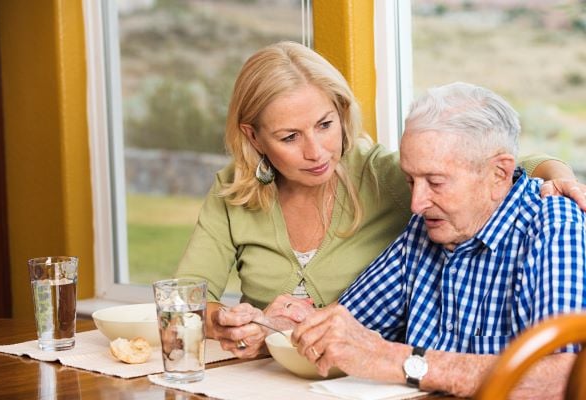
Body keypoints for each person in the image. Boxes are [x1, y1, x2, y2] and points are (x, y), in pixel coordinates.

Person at [175, 41, 586, 356]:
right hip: (275, 371)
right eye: (289, 137)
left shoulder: (383, 174)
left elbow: (490, 166)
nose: (316, 151)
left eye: (324, 125)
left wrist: (560, 178)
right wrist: (238, 322)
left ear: (341, 111)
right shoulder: (234, 189)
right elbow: (184, 299)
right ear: (254, 137)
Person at [291, 82, 586, 399]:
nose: (417, 203)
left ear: (499, 175)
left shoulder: (554, 225)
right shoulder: (429, 225)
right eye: (410, 180)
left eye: (435, 181)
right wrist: (281, 323)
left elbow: (564, 378)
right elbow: (346, 328)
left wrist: (399, 361)